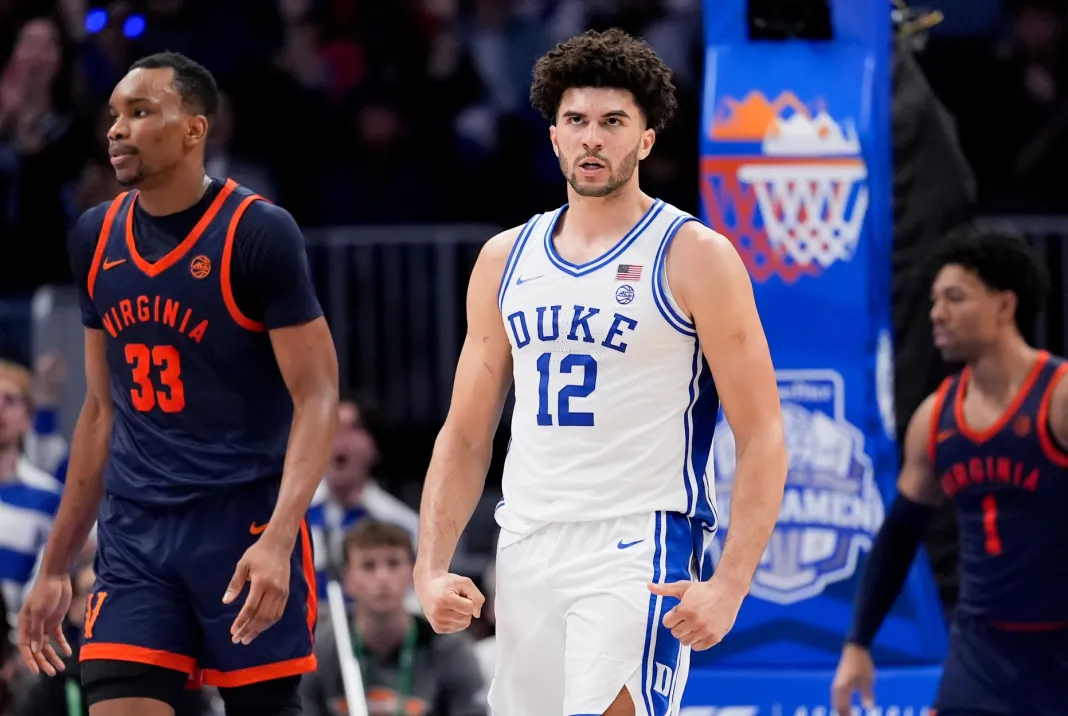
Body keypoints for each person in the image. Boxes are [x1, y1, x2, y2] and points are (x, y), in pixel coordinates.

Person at [413, 29, 788, 716]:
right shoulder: (505, 259)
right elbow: (466, 434)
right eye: (576, 121)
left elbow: (762, 431)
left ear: (646, 140)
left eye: (613, 122)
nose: (593, 138)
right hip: (526, 542)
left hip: (638, 543)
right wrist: (430, 567)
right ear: (553, 137)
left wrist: (731, 582)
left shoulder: (695, 255)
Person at [16, 51, 339, 716]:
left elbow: (318, 395)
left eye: (139, 113)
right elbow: (101, 413)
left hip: (240, 525)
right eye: (113, 115)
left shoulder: (258, 233)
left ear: (194, 130)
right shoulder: (94, 236)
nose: (116, 130)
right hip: (136, 533)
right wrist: (55, 565)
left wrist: (280, 536)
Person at [831, 227, 1068, 716]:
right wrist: (858, 642)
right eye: (936, 299)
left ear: (1005, 305)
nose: (937, 313)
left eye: (955, 298)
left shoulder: (1059, 398)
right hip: (981, 655)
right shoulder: (935, 419)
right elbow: (899, 536)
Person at [300, 520, 487, 716]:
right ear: (347, 578)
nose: (383, 577)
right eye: (368, 566)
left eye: (394, 563)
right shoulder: (320, 648)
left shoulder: (448, 647)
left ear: (413, 573)